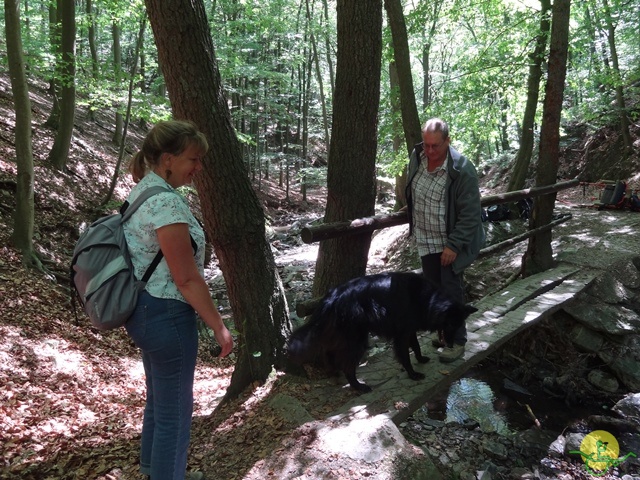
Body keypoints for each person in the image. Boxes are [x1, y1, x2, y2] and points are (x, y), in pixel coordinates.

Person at [123, 120, 234, 480]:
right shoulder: (166, 205)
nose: (198, 167)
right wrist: (219, 326)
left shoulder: (141, 192)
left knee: (159, 402)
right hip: (167, 315)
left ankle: (154, 471)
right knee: (175, 412)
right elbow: (186, 278)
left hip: (143, 311)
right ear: (168, 159)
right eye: (193, 159)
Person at [405, 118, 484, 363]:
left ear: (447, 141)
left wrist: (454, 244)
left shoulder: (462, 169)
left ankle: (457, 341)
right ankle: (442, 332)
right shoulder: (417, 157)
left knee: (450, 292)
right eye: (426, 145)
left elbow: (471, 214)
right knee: (433, 291)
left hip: (449, 242)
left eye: (435, 146)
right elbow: (413, 190)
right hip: (425, 238)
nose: (429, 151)